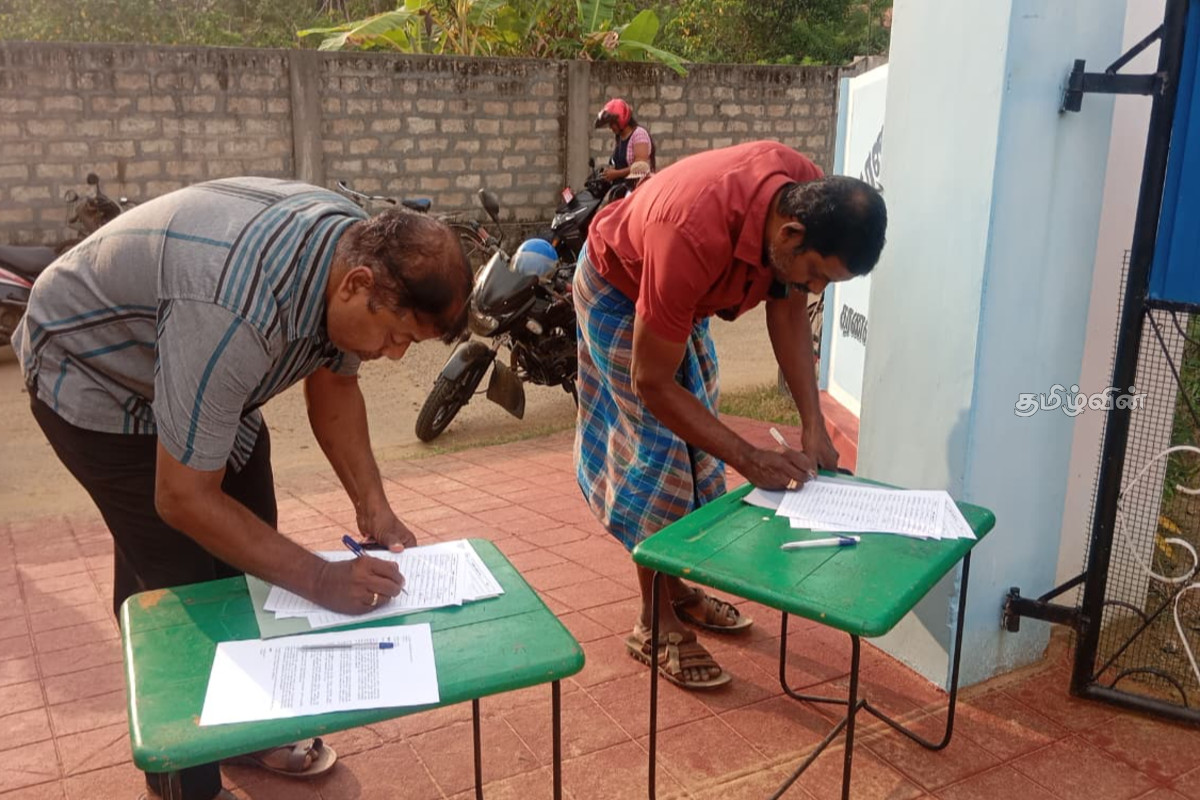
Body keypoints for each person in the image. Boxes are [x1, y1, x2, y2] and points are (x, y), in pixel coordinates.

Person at [10, 176, 472, 800]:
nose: (392, 355)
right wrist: (322, 579)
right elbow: (183, 497)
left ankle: (248, 726)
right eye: (395, 336)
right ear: (357, 285)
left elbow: (335, 386)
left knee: (245, 547)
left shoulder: (354, 251)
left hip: (189, 369)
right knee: (182, 589)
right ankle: (186, 783)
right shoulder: (235, 308)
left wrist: (376, 509)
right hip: (95, 371)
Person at [572, 140, 886, 689]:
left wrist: (813, 425)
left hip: (677, 300)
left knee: (698, 451)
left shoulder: (804, 198)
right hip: (618, 288)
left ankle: (678, 586)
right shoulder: (691, 231)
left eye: (828, 284)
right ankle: (654, 621)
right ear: (789, 235)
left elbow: (787, 310)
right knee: (660, 456)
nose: (815, 290)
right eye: (817, 275)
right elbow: (652, 383)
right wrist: (749, 457)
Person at [594, 97, 656, 190]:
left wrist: (616, 174)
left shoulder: (639, 134)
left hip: (638, 189)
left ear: (621, 120)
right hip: (621, 188)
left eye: (612, 123)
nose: (610, 127)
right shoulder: (620, 138)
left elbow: (641, 166)